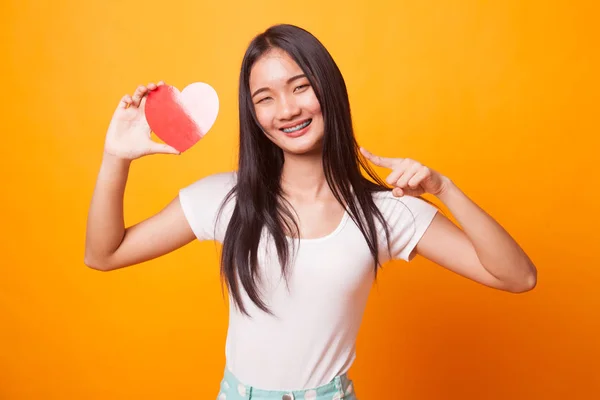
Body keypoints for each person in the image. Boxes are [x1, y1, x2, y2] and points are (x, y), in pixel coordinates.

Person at [84, 24, 537, 400]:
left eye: (300, 86)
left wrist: (445, 189)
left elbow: (518, 277)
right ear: (254, 116)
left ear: (328, 88)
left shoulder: (382, 213)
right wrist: (116, 156)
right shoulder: (226, 200)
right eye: (265, 97)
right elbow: (104, 254)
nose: (287, 109)